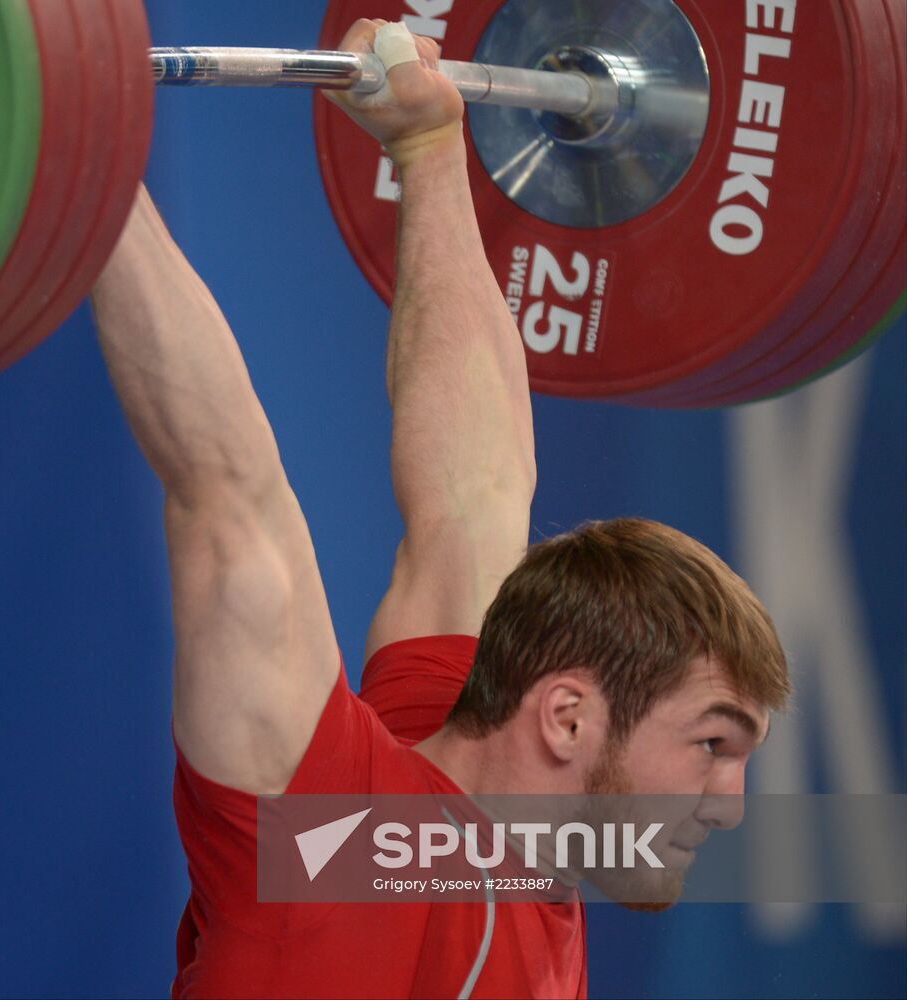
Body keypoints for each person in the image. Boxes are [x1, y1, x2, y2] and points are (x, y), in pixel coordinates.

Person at [90, 19, 791, 999]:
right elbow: (226, 499)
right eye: (711, 743)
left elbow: (474, 491)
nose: (729, 805)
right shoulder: (337, 845)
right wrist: (82, 166)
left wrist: (426, 149)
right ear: (564, 716)